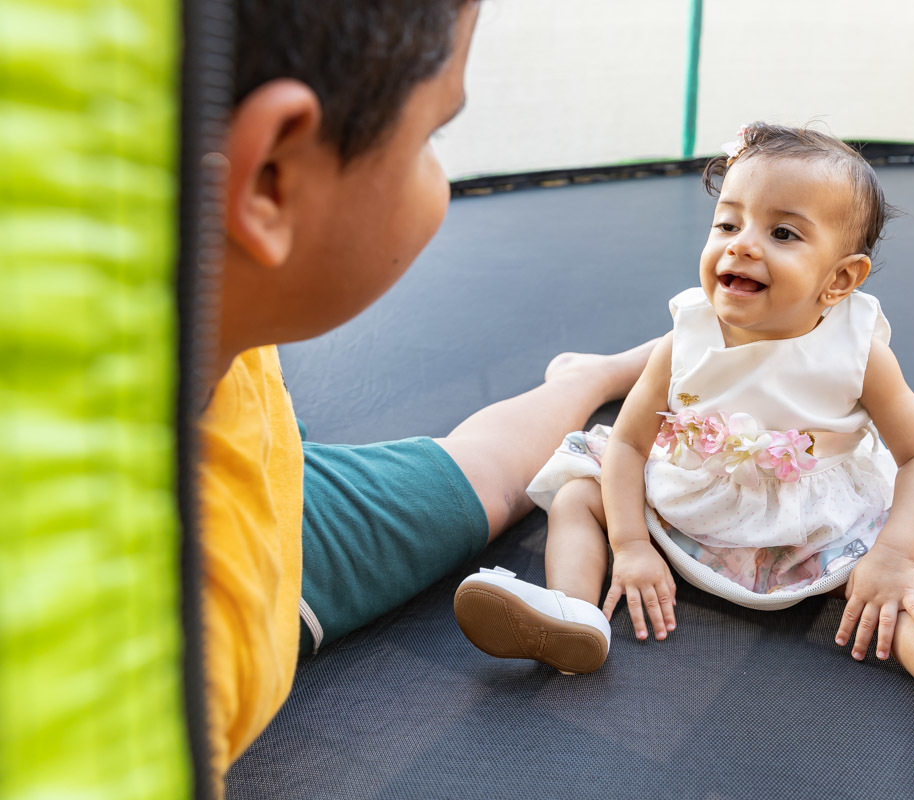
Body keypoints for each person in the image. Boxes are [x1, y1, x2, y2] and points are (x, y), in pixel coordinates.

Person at [452, 122, 914, 789]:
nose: (740, 244)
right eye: (728, 223)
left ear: (841, 279)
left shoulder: (858, 353)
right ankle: (574, 612)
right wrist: (632, 544)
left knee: (898, 592)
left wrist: (896, 551)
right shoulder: (685, 339)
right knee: (584, 480)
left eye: (782, 234)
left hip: (814, 519)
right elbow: (634, 444)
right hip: (693, 497)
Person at [198, 0, 655, 788]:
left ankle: (589, 377)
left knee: (482, 481)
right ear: (270, 177)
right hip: (225, 530)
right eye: (432, 137)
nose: (435, 166)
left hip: (246, 443)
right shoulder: (148, 672)